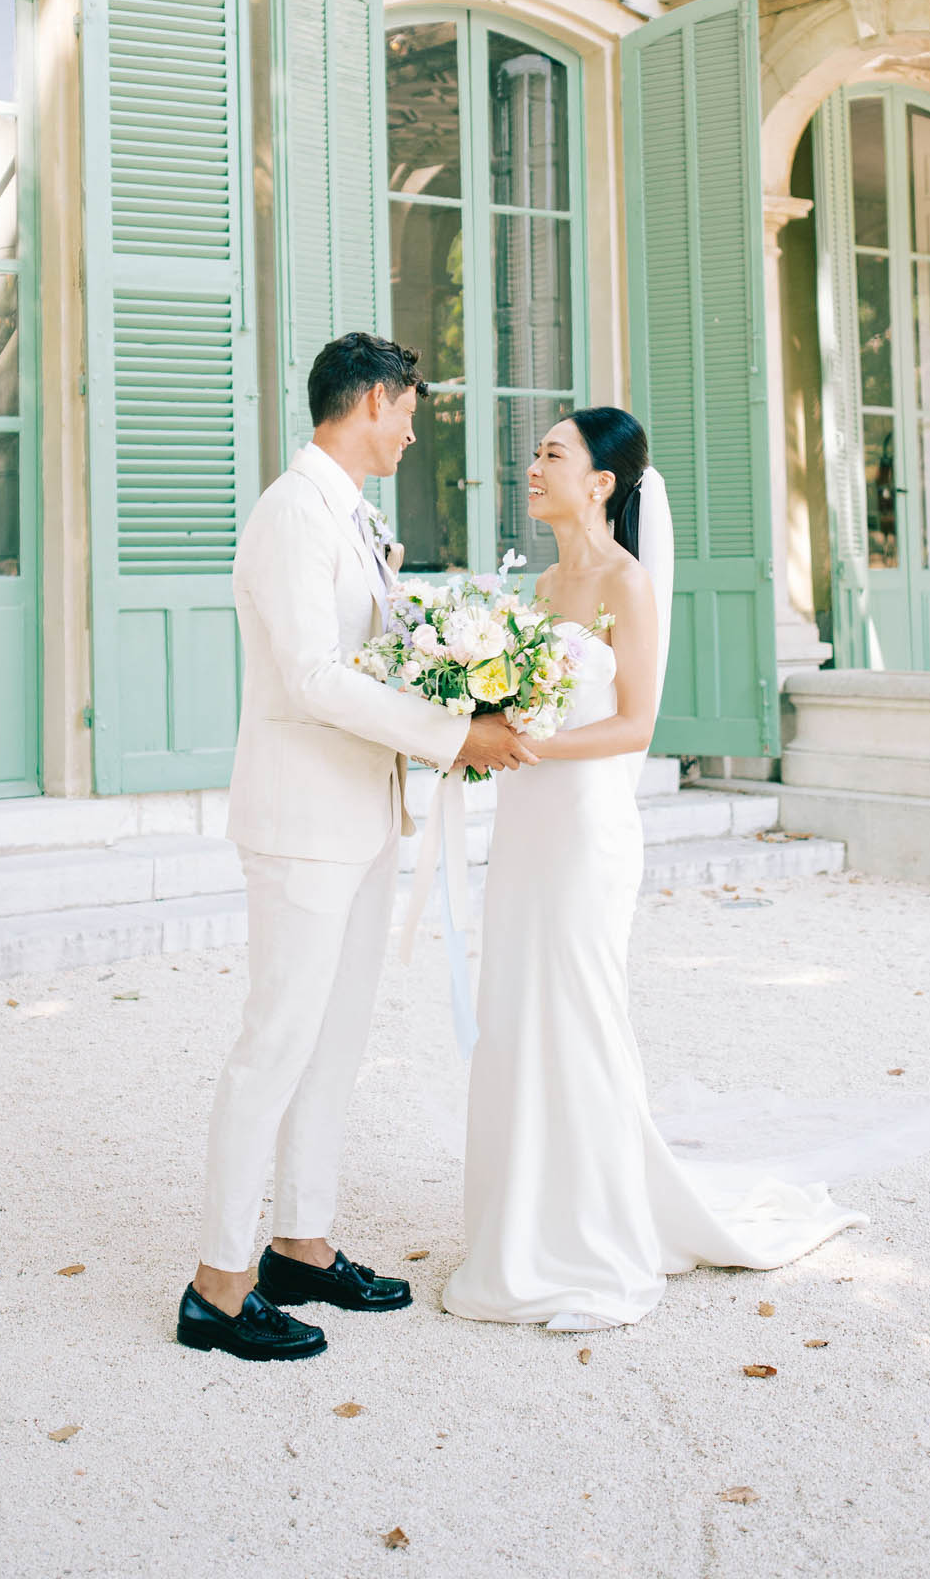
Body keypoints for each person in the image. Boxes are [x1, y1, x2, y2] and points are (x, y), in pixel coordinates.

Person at [443, 407, 930, 1331]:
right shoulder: (531, 592)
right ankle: (520, 1216)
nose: (531, 467)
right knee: (515, 1006)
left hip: (584, 826)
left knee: (576, 1007)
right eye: (534, 453)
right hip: (526, 827)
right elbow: (509, 698)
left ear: (600, 482)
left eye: (551, 454)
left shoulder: (622, 583)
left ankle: (587, 1230)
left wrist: (526, 744)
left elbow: (636, 727)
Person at [179, 332, 535, 1361]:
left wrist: (460, 685)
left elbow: (375, 653)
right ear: (372, 399)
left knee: (334, 1043)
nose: (416, 426)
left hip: (366, 813)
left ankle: (299, 1241)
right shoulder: (293, 512)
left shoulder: (352, 514)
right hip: (301, 824)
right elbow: (309, 677)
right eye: (409, 407)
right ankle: (216, 1281)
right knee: (274, 1044)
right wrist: (452, 732)